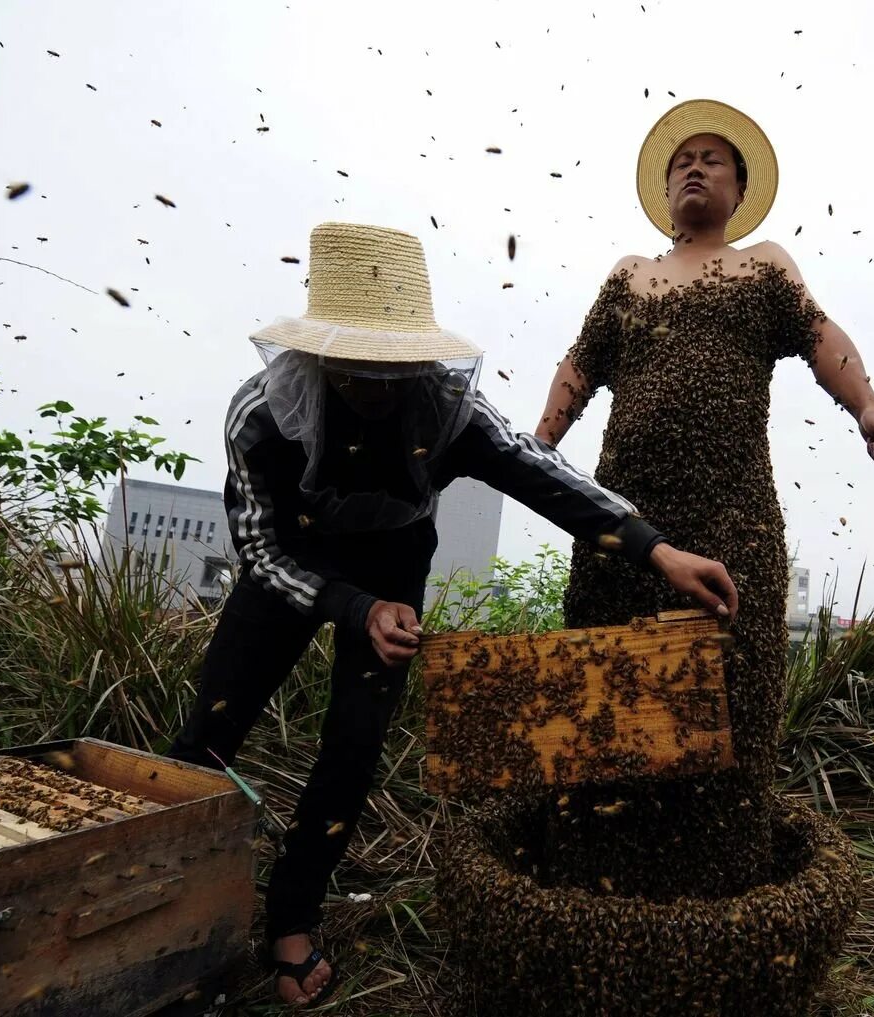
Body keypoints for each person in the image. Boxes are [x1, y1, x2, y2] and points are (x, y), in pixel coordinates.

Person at [169, 222, 739, 1007]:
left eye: (393, 367)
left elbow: (544, 475)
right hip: (293, 568)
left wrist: (656, 549)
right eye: (358, 366)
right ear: (321, 351)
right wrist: (350, 606)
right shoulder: (262, 416)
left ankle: (291, 921)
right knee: (210, 731)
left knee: (354, 744)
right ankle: (162, 907)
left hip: (394, 565)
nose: (376, 383)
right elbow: (259, 551)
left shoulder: (449, 411)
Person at [532, 100, 874, 897]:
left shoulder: (764, 265)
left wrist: (869, 407)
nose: (694, 167)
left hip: (735, 520)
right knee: (606, 698)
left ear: (739, 189)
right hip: (622, 524)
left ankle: (716, 894)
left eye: (713, 159)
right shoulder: (630, 275)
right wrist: (540, 444)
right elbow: (581, 361)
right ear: (666, 189)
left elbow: (820, 337)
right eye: (681, 161)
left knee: (731, 711)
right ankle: (597, 884)